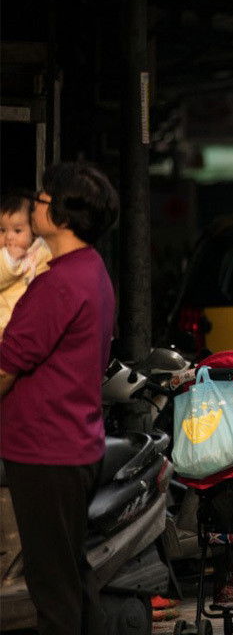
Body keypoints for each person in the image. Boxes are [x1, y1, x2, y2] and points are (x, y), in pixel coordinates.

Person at [0, 162, 119, 635]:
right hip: (72, 445)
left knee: (53, 591)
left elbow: (6, 368)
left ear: (66, 216)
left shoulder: (57, 284)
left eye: (45, 199)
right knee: (71, 576)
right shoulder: (89, 270)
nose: (36, 204)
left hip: (46, 450)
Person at [0, 194, 52, 338]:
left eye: (17, 231)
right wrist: (9, 260)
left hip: (28, 324)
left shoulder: (42, 251)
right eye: (2, 230)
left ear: (33, 231)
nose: (9, 237)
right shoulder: (3, 255)